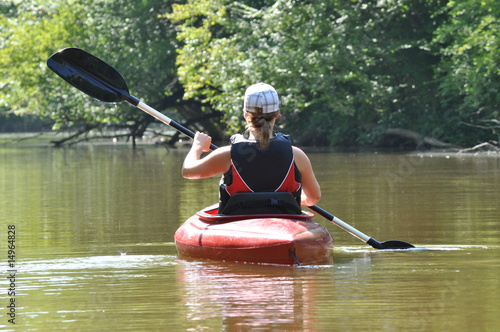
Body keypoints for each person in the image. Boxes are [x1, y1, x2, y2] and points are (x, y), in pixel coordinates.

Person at [182, 83, 321, 212]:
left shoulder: (227, 155)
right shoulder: (297, 155)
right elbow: (314, 197)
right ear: (277, 114)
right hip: (285, 221)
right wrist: (294, 201)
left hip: (237, 222)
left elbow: (187, 171)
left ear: (245, 114)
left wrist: (198, 145)